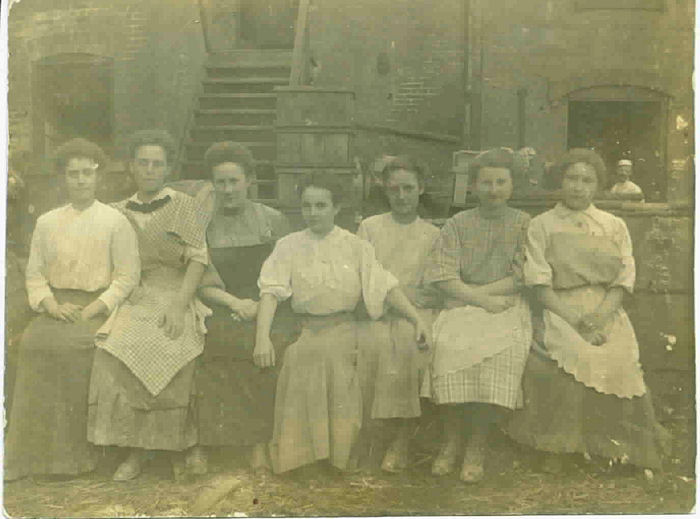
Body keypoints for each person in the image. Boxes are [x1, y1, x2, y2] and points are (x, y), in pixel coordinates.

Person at [507, 148, 669, 475]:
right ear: (561, 181)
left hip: (605, 308)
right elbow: (538, 283)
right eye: (572, 178)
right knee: (564, 358)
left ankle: (612, 448)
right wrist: (575, 319)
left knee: (615, 360)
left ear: (597, 185)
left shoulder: (613, 225)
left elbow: (623, 278)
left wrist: (600, 316)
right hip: (558, 306)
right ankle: (558, 445)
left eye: (587, 180)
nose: (578, 186)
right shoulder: (542, 225)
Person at [255, 174, 430, 474]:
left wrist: (417, 319)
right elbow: (270, 291)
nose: (313, 212)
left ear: (336, 208)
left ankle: (339, 456)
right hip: (307, 327)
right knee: (300, 356)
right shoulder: (288, 246)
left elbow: (384, 286)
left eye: (321, 205)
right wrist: (262, 338)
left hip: (345, 326)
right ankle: (302, 457)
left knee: (335, 359)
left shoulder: (355, 246)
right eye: (307, 206)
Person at [5, 138, 140, 480]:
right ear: (63, 179)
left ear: (98, 178)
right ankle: (27, 458)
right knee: (34, 345)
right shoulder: (48, 222)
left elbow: (127, 277)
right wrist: (50, 305)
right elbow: (34, 275)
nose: (80, 180)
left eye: (87, 173)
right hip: (56, 306)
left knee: (78, 349)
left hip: (97, 307)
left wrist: (96, 307)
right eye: (73, 174)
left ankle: (79, 458)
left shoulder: (115, 221)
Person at [88, 129, 210, 481]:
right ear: (131, 167)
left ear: (168, 168)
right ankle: (135, 450)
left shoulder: (186, 207)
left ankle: (178, 446)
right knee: (116, 346)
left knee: (175, 342)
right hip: (134, 294)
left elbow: (198, 262)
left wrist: (178, 305)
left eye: (158, 164)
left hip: (177, 291)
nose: (150, 170)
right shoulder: (116, 212)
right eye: (143, 163)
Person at [422, 148, 532, 483]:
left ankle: (477, 443)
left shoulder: (523, 223)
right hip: (464, 301)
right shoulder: (458, 224)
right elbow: (443, 275)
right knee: (447, 345)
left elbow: (522, 275)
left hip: (507, 303)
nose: (494, 190)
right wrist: (478, 299)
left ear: (512, 186)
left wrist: (487, 299)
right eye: (486, 183)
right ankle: (452, 438)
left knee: (502, 353)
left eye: (501, 182)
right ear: (474, 187)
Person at [190, 142, 293, 473]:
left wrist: (258, 305)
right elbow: (201, 281)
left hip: (270, 304)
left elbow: (287, 273)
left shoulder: (272, 221)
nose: (228, 189)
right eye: (220, 183)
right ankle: (213, 442)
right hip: (223, 303)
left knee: (265, 347)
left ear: (249, 181)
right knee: (214, 344)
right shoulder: (203, 225)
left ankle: (258, 443)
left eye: (234, 181)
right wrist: (234, 302)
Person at [355, 156, 440, 473]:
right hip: (377, 308)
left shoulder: (432, 234)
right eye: (394, 189)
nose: (401, 196)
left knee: (409, 346)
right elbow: (365, 275)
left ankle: (402, 440)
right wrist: (391, 294)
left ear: (421, 189)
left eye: (408, 188)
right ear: (385, 192)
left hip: (416, 311)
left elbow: (433, 285)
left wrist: (407, 297)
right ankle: (372, 435)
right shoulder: (370, 227)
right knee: (369, 343)